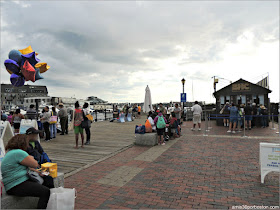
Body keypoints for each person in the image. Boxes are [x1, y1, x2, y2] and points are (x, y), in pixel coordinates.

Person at [1, 134, 50, 209]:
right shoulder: (19, 152)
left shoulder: (10, 152)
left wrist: (37, 171)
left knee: (42, 184)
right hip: (16, 184)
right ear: (23, 143)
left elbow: (23, 167)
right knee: (45, 191)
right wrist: (31, 157)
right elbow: (35, 164)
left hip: (11, 185)